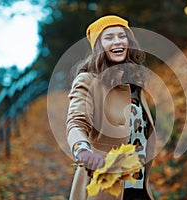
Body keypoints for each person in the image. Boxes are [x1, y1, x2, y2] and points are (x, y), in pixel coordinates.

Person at [66, 15, 156, 200]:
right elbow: (76, 121)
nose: (117, 41)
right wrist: (82, 148)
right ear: (99, 47)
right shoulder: (88, 80)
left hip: (138, 188)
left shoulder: (134, 84)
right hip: (104, 188)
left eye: (122, 36)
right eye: (108, 37)